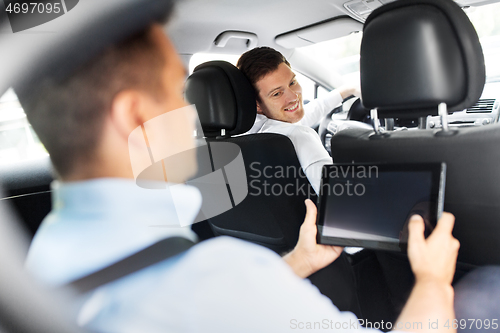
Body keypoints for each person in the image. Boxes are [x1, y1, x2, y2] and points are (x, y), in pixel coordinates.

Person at [20, 10, 462, 333]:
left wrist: (295, 263)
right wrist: (433, 281)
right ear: (134, 114)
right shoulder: (212, 279)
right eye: (178, 92)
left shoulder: (43, 256)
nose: (192, 109)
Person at [237, 47, 360, 193]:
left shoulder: (244, 137)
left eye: (292, 83)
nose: (294, 97)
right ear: (257, 104)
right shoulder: (299, 137)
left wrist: (346, 90)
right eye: (277, 94)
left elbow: (307, 114)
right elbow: (340, 198)